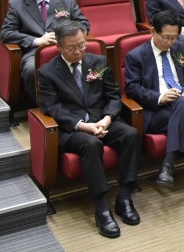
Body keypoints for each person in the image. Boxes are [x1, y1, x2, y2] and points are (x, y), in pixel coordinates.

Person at [37, 21, 140, 238]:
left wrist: (106, 120)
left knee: (130, 134)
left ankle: (124, 196)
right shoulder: (47, 72)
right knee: (91, 144)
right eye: (72, 48)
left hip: (101, 121)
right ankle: (101, 206)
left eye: (82, 45)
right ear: (59, 47)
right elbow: (51, 107)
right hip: (74, 129)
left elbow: (113, 96)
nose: (78, 52)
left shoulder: (99, 61)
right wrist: (84, 126)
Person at [122, 10, 184, 212]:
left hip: (181, 104)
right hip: (155, 112)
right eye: (165, 37)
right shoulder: (136, 56)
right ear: (153, 32)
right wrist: (159, 97)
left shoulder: (181, 48)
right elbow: (132, 88)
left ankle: (169, 165)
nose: (170, 42)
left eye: (174, 37)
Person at [1, 0, 89, 102]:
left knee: (94, 61)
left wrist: (66, 36)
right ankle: (43, 107)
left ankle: (83, 101)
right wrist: (36, 41)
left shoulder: (67, 0)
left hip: (68, 47)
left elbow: (84, 24)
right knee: (31, 69)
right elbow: (6, 33)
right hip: (35, 51)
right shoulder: (16, 4)